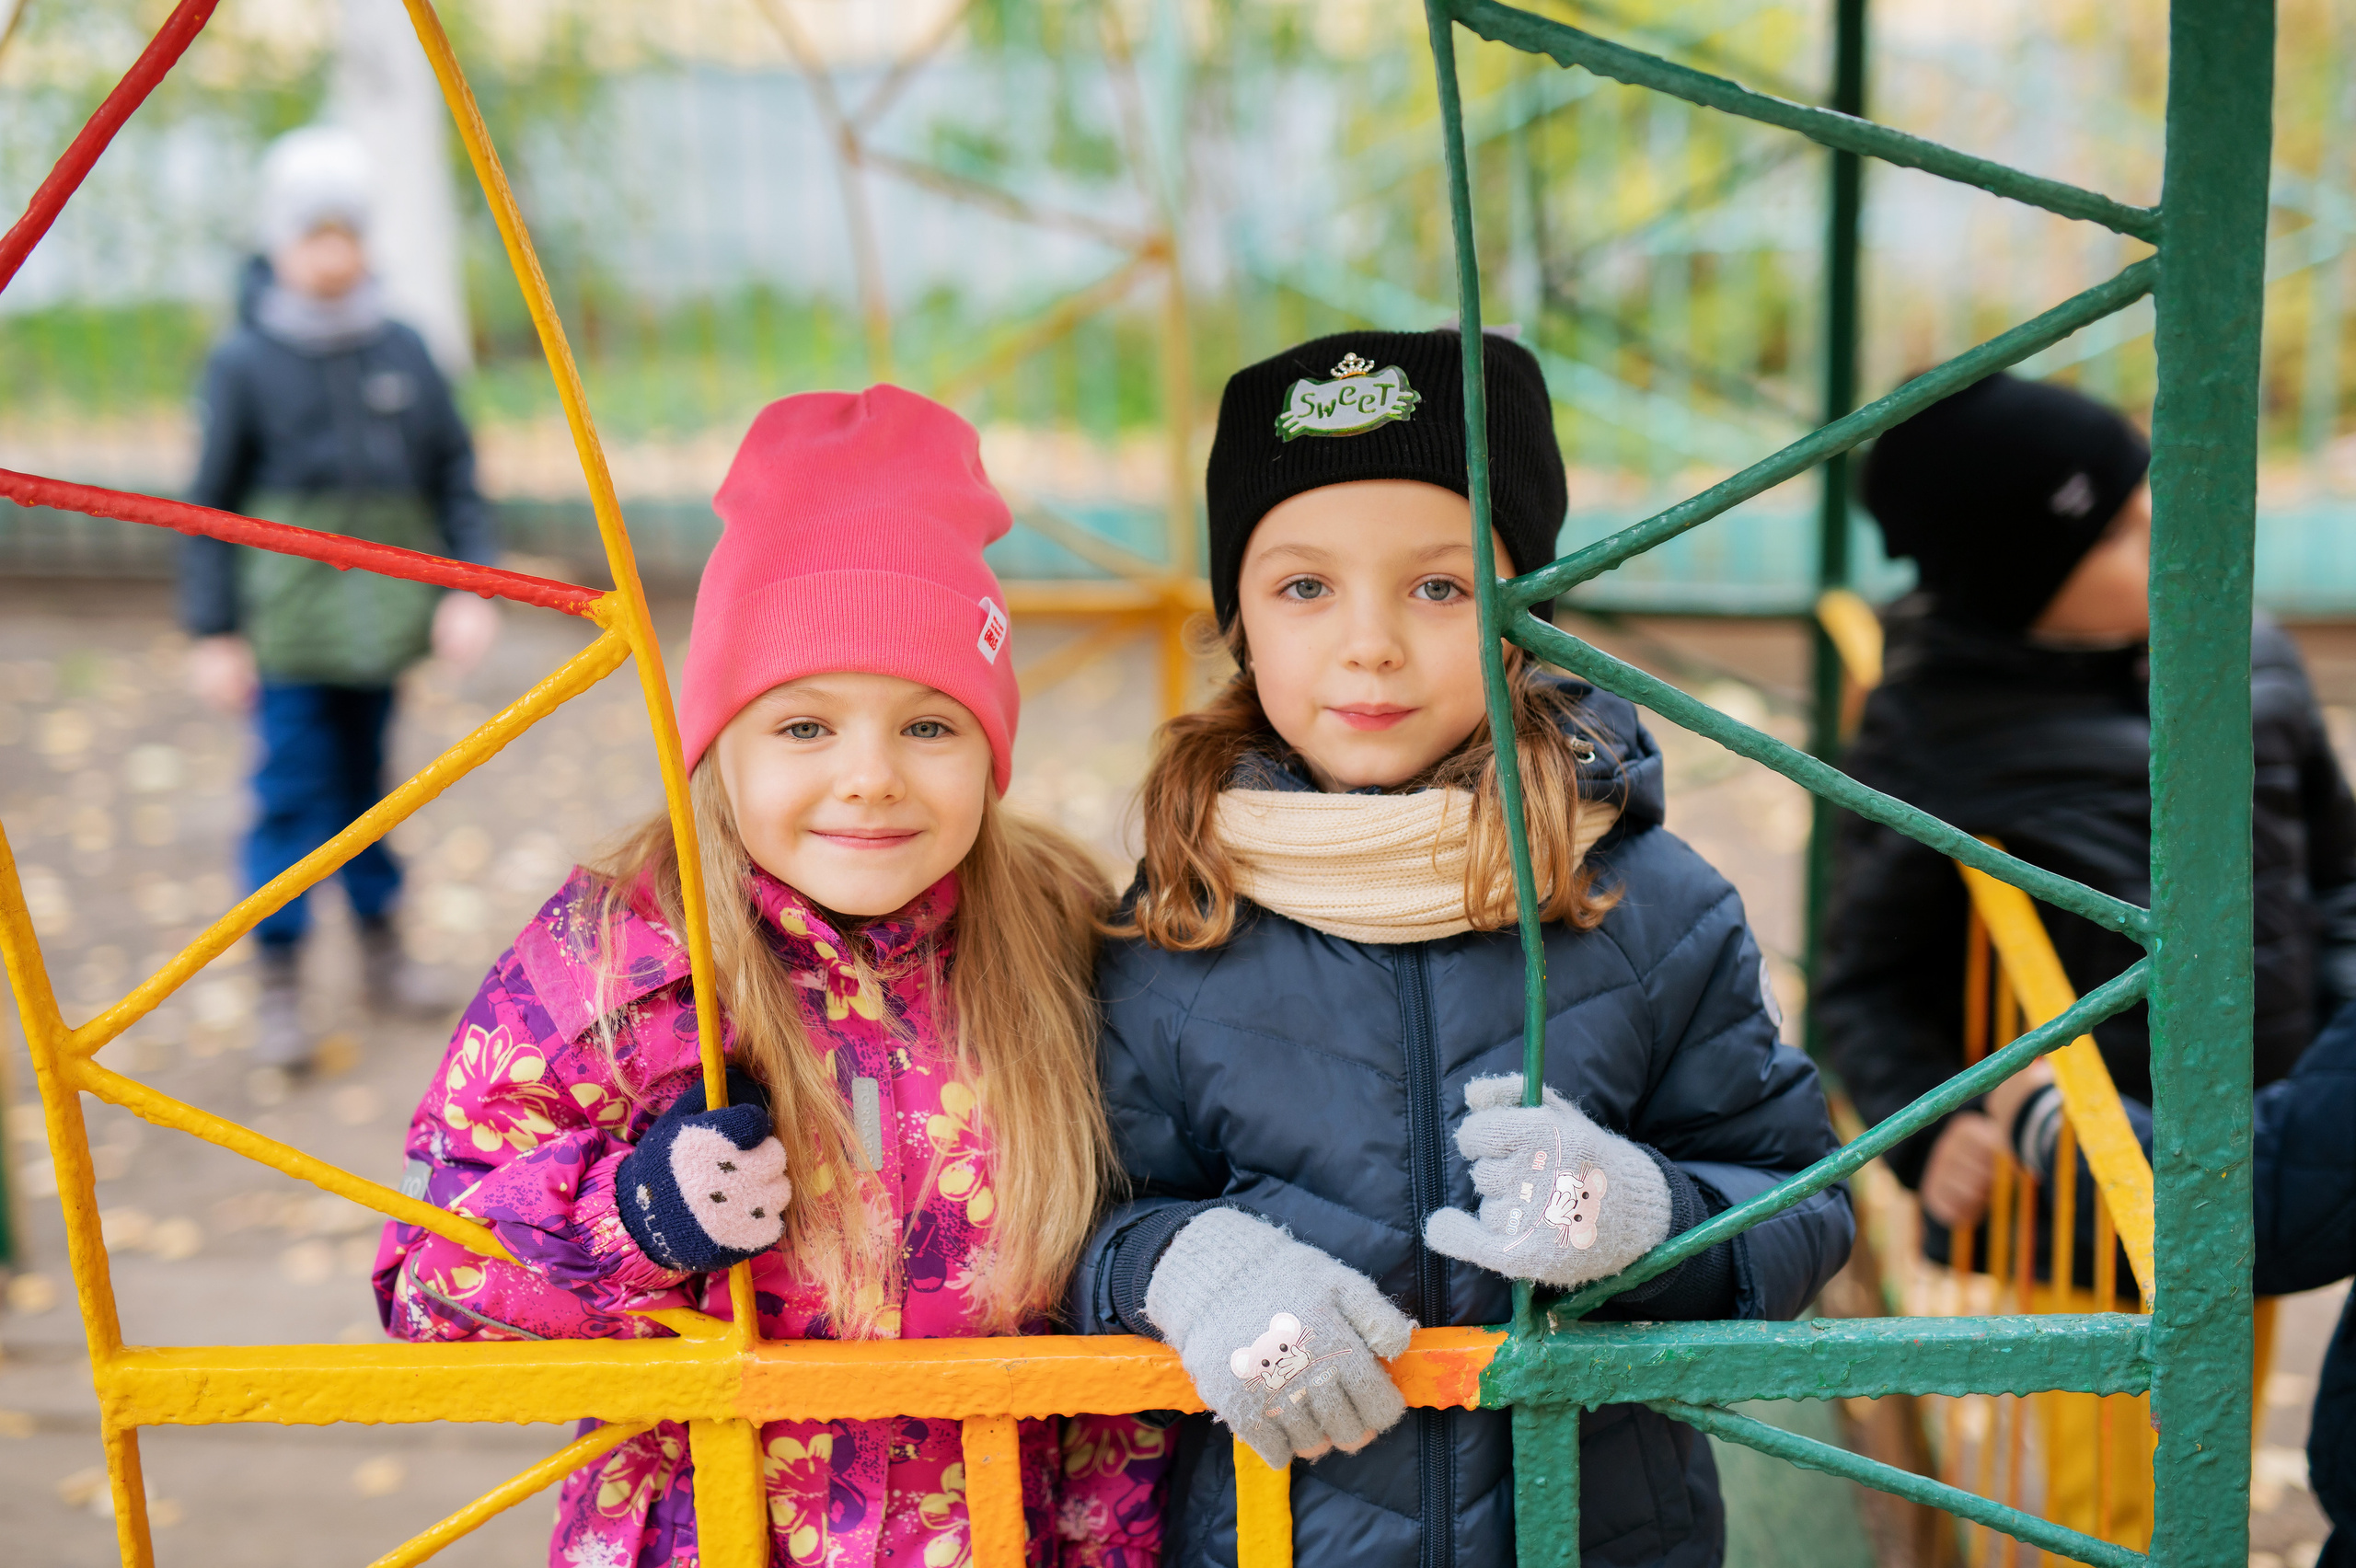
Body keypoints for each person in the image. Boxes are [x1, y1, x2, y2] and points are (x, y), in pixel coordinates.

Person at [1069, 329, 1854, 1566]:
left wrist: (1650, 1223)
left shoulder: (1653, 904)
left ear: (1521, 616)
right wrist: (1182, 1261)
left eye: (1439, 586)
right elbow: (1078, 1220)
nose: (1370, 643)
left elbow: (1803, 1203)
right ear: (1241, 625)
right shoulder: (1174, 917)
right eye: (1304, 587)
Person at [373, 387, 1165, 1567]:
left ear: (992, 742)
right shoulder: (618, 957)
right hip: (712, 1536)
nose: (870, 778)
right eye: (803, 727)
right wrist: (625, 1226)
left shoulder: (1065, 935)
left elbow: (1151, 1233)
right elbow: (421, 1287)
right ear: (719, 743)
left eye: (930, 726)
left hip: (1013, 1530)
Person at [1818, 371, 2356, 1246]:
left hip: (2288, 1159)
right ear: (2018, 579)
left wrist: (2334, 1080)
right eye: (2111, 529)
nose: (2162, 531)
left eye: (2152, 495)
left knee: (2237, 1373)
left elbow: (2339, 875)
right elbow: (1869, 983)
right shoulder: (1934, 731)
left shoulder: (2254, 655)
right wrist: (1930, 1130)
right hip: (2078, 1215)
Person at [179, 125, 499, 1070]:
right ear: (278, 239)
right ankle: (279, 975)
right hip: (292, 629)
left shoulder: (401, 348)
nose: (330, 254)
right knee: (289, 795)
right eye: (311, 233)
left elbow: (455, 473)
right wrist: (215, 630)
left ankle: (381, 950)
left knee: (370, 791)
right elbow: (209, 503)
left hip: (381, 625)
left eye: (345, 232)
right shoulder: (245, 362)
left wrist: (468, 586)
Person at [1995, 1002, 2356, 1563]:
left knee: (2195, 1491)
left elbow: (2264, 1199)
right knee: (2109, 1515)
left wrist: (2042, 1116)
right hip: (2092, 1247)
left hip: (2210, 1222)